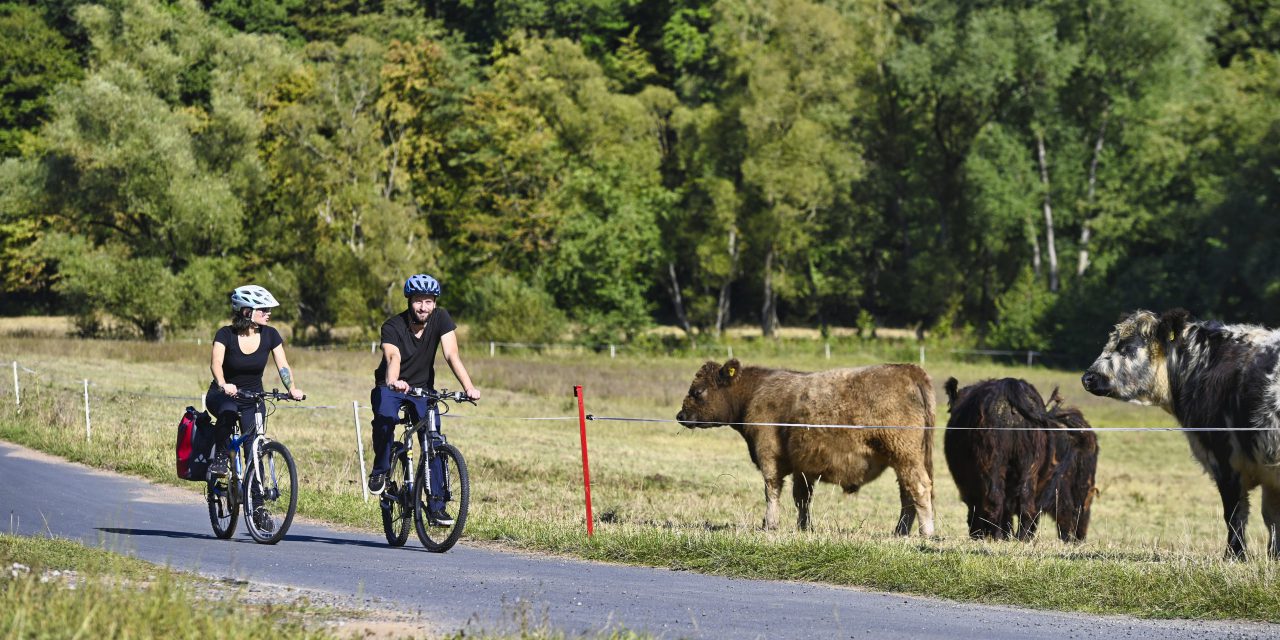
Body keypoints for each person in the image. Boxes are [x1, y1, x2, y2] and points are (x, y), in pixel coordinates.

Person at [369, 273, 480, 525]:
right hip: (390, 385)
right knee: (385, 419)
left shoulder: (441, 318)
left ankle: (436, 506)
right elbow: (392, 357)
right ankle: (381, 471)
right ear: (409, 301)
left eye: (429, 301)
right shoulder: (392, 326)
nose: (423, 307)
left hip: (422, 389)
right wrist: (394, 381)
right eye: (419, 301)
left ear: (435, 303)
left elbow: (451, 355)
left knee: (433, 439)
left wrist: (469, 387)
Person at [206, 285, 305, 477]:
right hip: (223, 394)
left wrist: (291, 388)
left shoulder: (270, 334)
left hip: (253, 398)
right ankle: (221, 457)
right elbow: (216, 363)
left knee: (254, 449)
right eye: (264, 309)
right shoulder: (225, 334)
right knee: (228, 410)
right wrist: (223, 383)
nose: (269, 313)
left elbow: (283, 364)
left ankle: (257, 504)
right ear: (247, 311)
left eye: (269, 309)